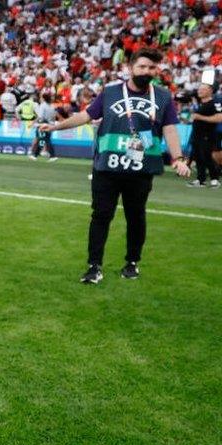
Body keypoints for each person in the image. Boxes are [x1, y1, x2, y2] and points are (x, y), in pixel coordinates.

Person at [39, 48, 191, 283]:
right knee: (100, 216)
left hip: (141, 168)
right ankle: (94, 266)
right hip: (107, 168)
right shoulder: (110, 92)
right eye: (142, 66)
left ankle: (132, 262)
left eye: (152, 67)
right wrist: (56, 127)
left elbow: (169, 128)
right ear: (130, 68)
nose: (147, 71)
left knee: (136, 217)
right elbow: (85, 115)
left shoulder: (162, 97)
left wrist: (178, 158)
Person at [187, 83, 221, 187]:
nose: (199, 91)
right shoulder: (201, 103)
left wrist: (200, 117)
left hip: (207, 135)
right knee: (198, 157)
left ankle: (215, 179)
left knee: (207, 157)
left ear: (210, 91)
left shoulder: (214, 103)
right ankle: (200, 180)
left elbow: (219, 118)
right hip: (197, 134)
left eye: (202, 89)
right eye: (199, 89)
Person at [30, 93, 59, 161]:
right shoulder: (52, 106)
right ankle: (35, 155)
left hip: (44, 125)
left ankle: (52, 156)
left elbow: (40, 117)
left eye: (41, 98)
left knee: (44, 140)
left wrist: (34, 123)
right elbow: (54, 116)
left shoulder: (43, 106)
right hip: (50, 124)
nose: (40, 99)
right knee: (43, 140)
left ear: (43, 98)